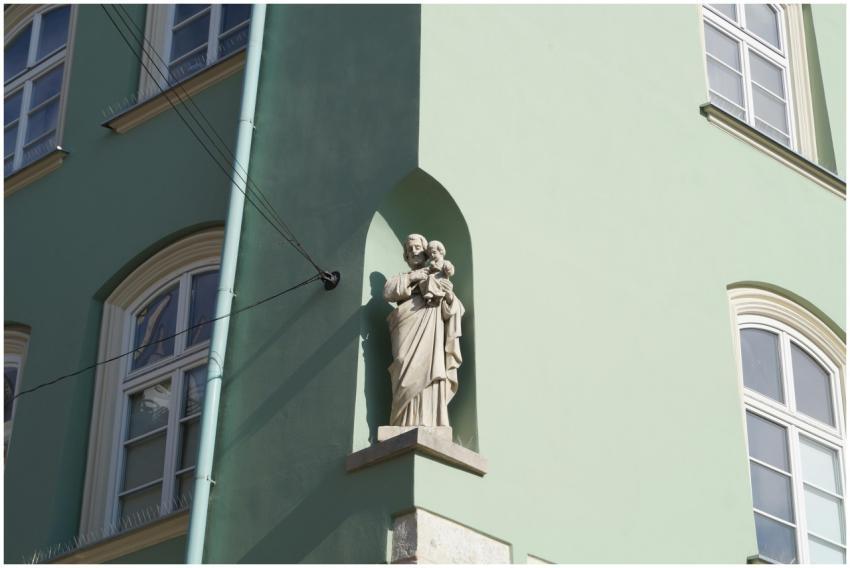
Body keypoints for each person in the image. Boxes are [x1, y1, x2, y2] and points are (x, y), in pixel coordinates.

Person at [383, 234, 464, 427]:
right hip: (407, 322)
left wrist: (450, 296)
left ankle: (430, 420)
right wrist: (413, 277)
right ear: (406, 256)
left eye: (417, 247)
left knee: (431, 368)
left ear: (426, 250)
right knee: (403, 362)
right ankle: (402, 422)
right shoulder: (402, 278)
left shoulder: (438, 272)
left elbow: (455, 310)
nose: (413, 251)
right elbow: (387, 292)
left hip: (432, 326)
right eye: (409, 250)